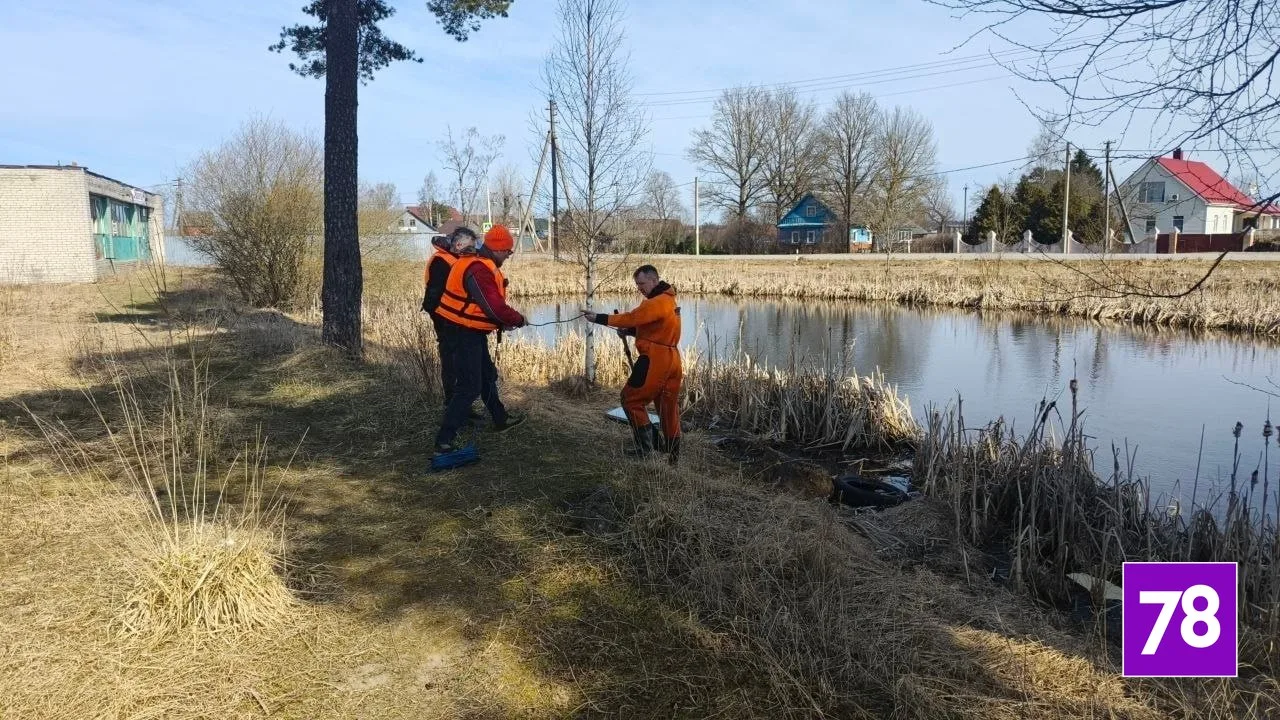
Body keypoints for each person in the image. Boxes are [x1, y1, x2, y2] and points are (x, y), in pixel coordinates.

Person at [431, 224, 528, 457]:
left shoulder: (475, 262)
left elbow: (481, 307)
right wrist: (518, 319)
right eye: (508, 251)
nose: (509, 255)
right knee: (469, 386)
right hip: (462, 333)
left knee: (486, 376)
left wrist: (500, 322)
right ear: (498, 249)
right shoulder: (479, 269)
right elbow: (494, 306)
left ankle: (500, 418)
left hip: (466, 330)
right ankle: (444, 441)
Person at [581, 265, 682, 465]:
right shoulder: (669, 300)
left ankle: (646, 450)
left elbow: (632, 318)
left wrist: (598, 318)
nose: (639, 288)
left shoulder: (655, 302)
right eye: (637, 284)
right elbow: (654, 329)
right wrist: (629, 331)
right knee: (668, 410)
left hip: (655, 361)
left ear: (654, 280)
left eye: (642, 283)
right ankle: (672, 457)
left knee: (631, 400)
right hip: (673, 360)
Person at [421, 227, 478, 412]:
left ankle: (462, 408)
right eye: (471, 246)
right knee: (452, 364)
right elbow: (433, 297)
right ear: (459, 245)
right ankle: (453, 408)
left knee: (461, 364)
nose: (474, 250)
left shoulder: (455, 259)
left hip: (457, 321)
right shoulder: (441, 262)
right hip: (446, 323)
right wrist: (444, 322)